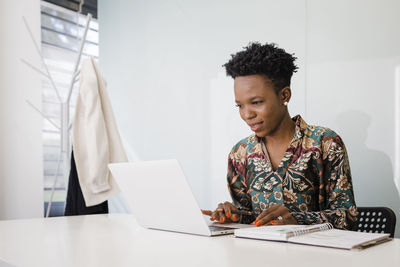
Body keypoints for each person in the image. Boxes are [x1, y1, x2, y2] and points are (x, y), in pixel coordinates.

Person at [202, 42, 358, 230]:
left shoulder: (324, 143)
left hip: (315, 255)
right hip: (256, 255)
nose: (247, 114)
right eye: (240, 105)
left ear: (284, 95)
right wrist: (233, 215)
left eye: (257, 102)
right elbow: (250, 219)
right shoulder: (240, 153)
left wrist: (297, 219)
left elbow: (348, 217)